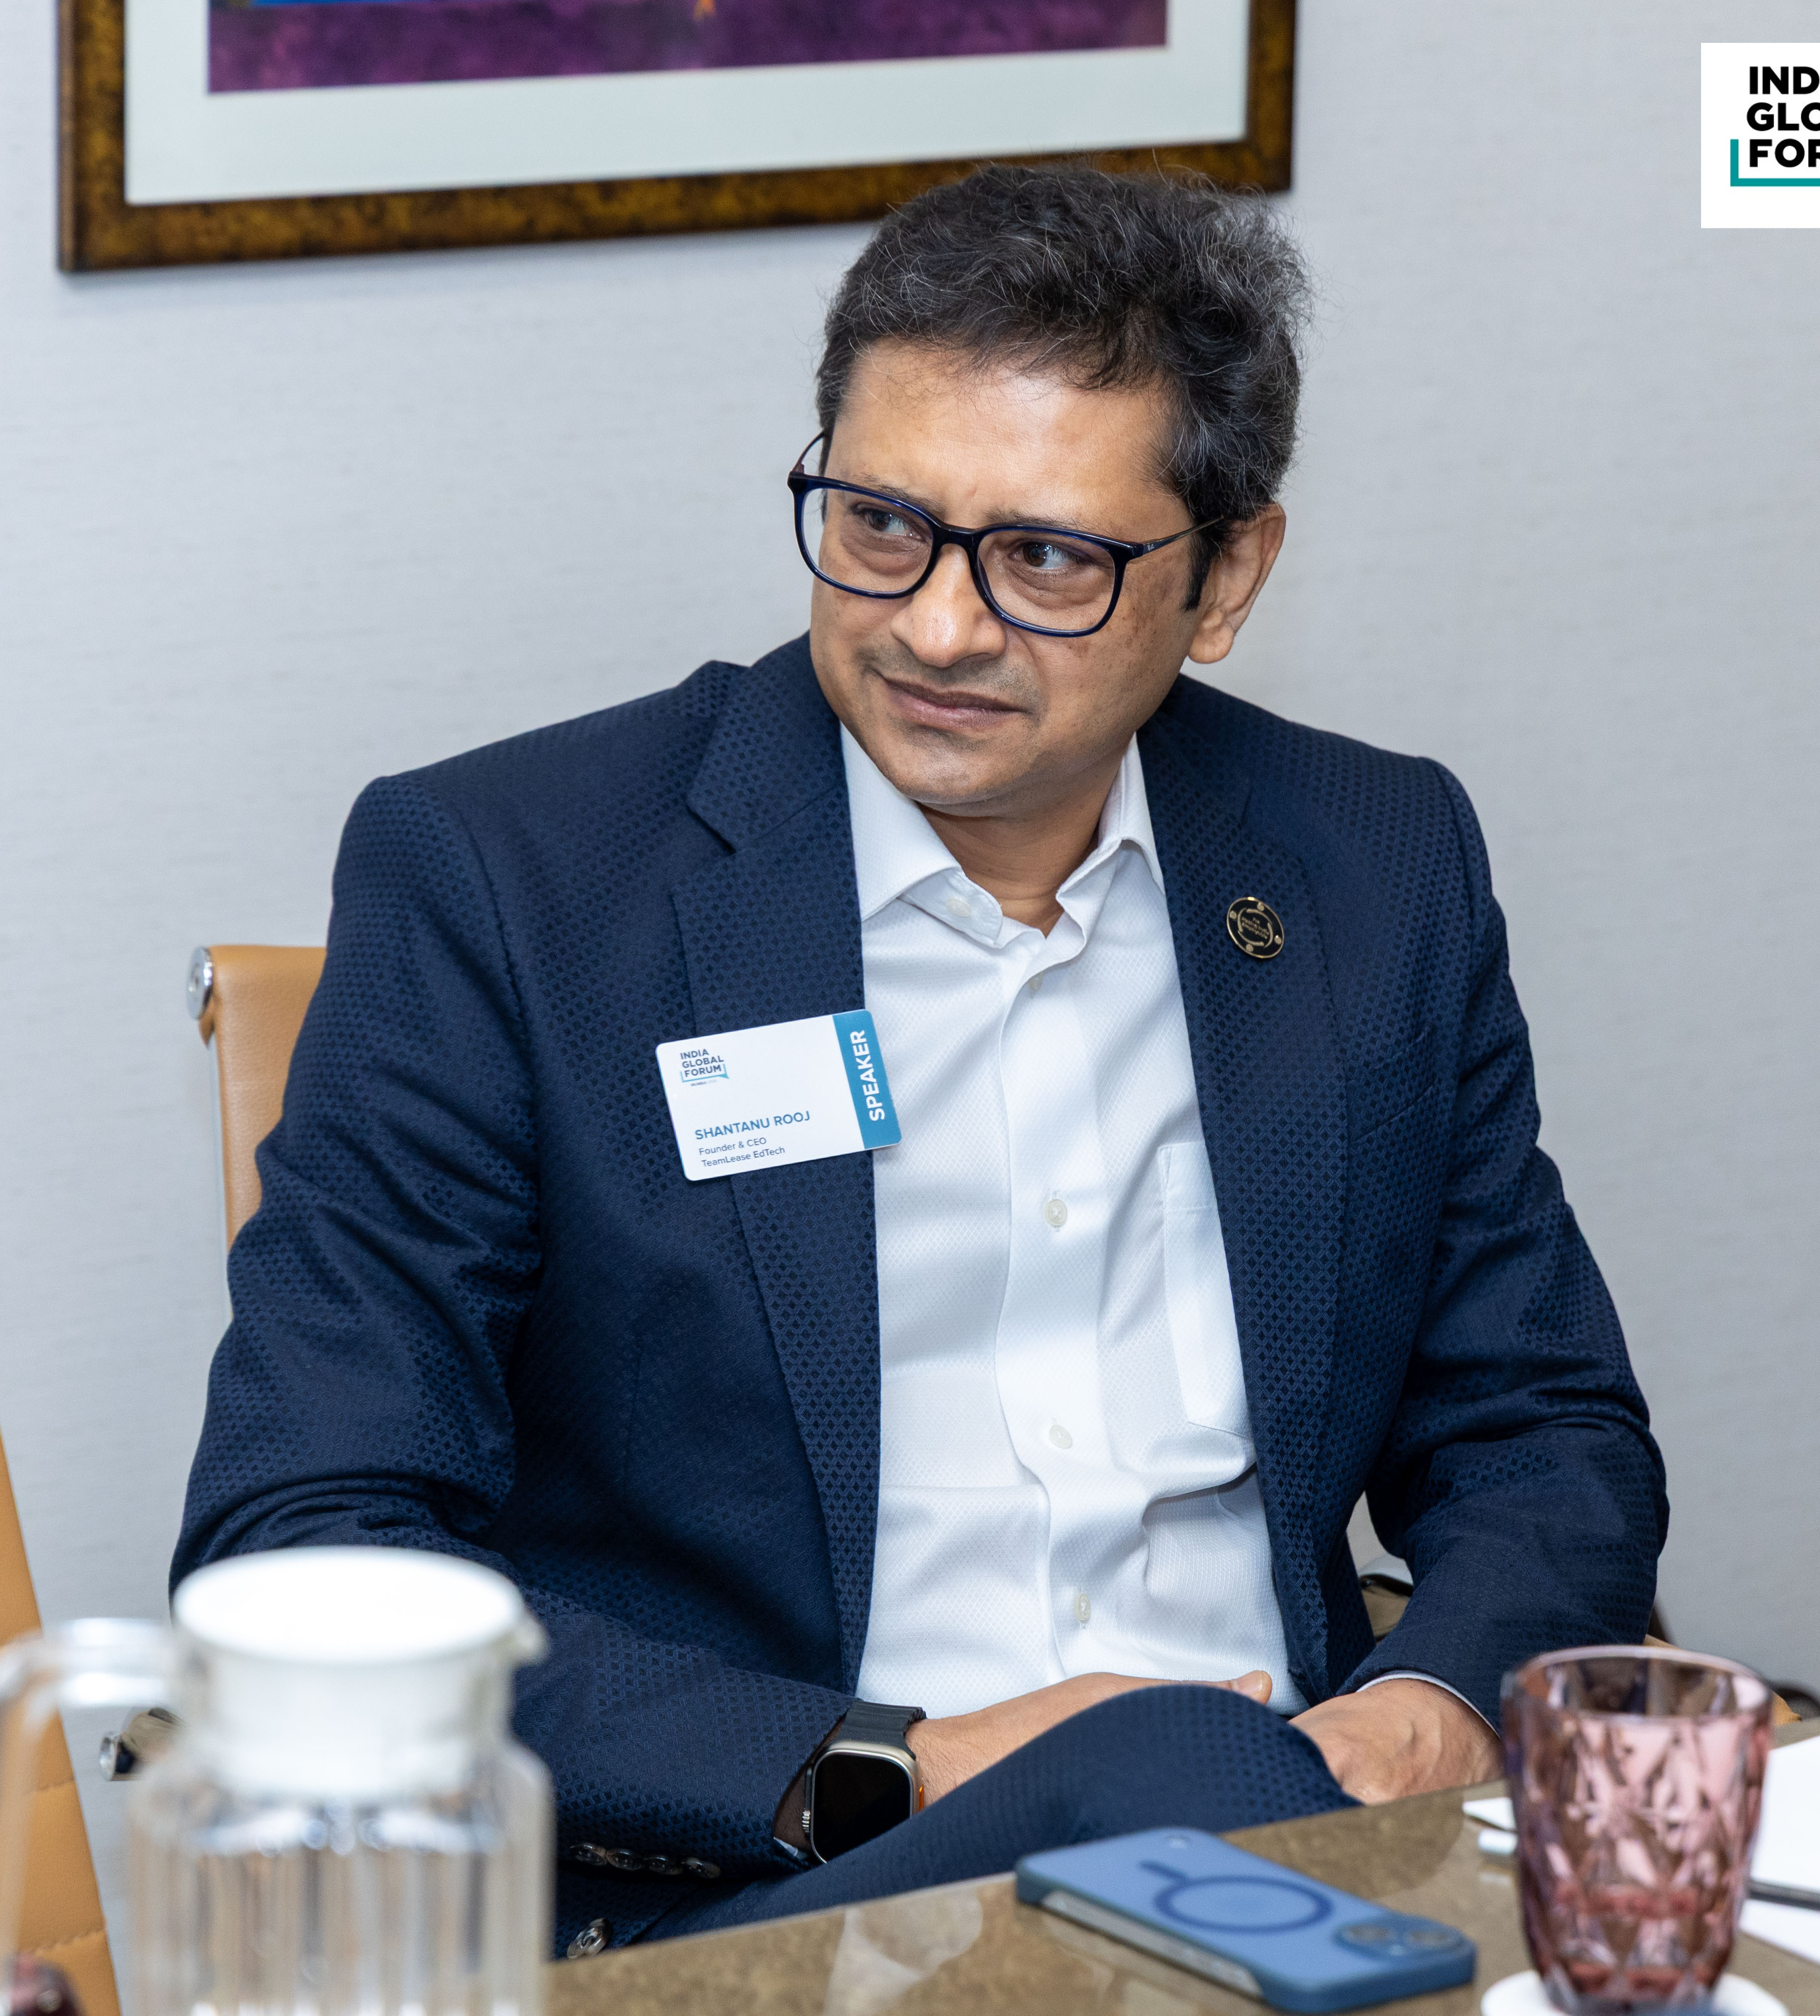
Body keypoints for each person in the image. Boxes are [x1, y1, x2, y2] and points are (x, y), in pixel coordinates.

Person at [174, 164, 1665, 1957]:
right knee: (1164, 1769)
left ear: (1228, 577)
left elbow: (1538, 1424)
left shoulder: (1372, 862)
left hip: (1312, 1840)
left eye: (1047, 560)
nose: (938, 628)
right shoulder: (516, 884)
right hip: (778, 1888)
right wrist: (890, 1765)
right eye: (882, 526)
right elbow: (306, 1545)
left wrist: (1429, 1702)